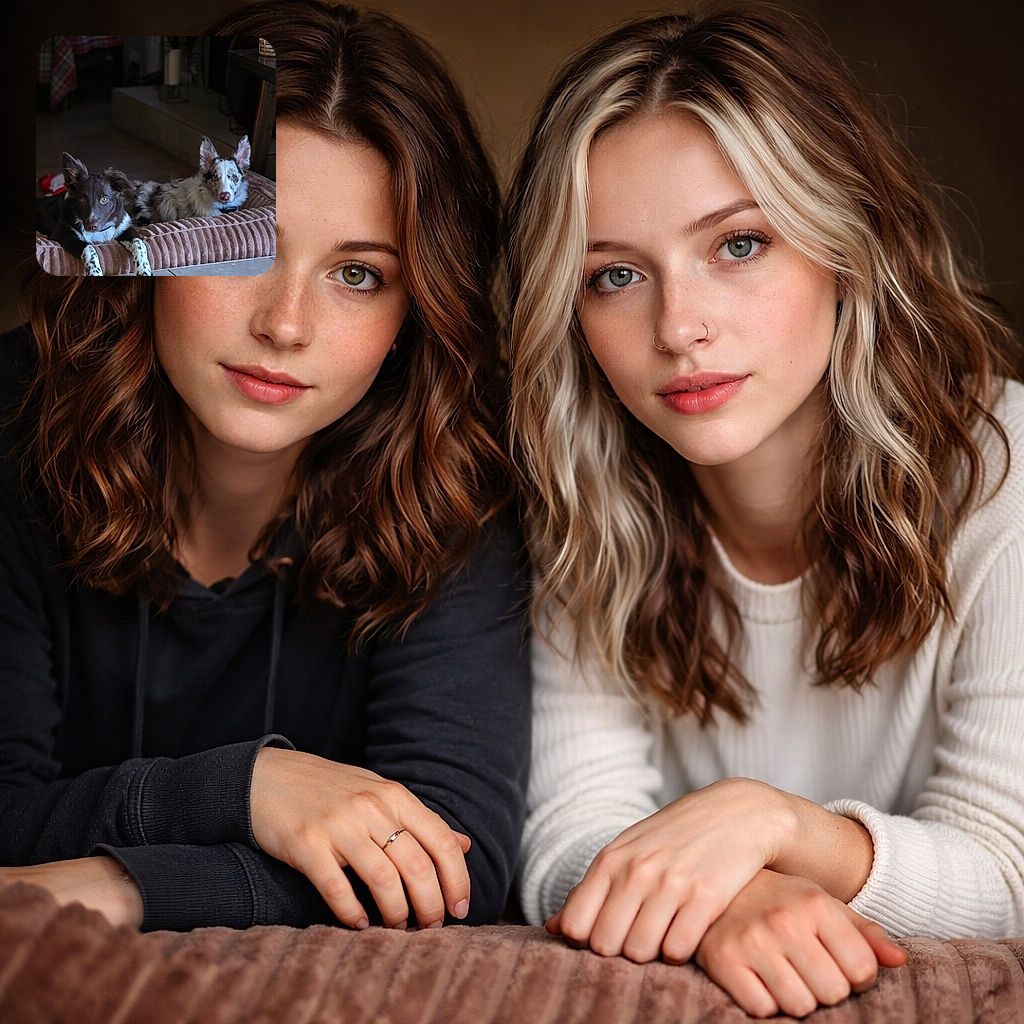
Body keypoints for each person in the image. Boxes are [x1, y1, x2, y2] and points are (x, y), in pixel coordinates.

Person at [506, 7, 1023, 1018]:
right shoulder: (582, 494)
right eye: (614, 274)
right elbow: (566, 836)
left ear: (847, 242)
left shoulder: (1008, 469)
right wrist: (733, 894)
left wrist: (774, 827)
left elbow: (1009, 872)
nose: (678, 326)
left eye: (736, 244)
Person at [0, 0, 530, 934]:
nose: (285, 325)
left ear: (419, 312)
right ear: (145, 245)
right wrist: (246, 789)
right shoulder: (10, 424)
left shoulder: (454, 466)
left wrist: (127, 886)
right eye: (240, 240)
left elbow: (454, 860)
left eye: (357, 274)